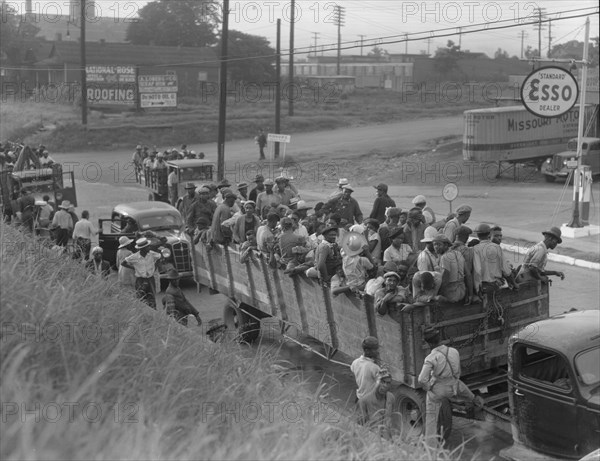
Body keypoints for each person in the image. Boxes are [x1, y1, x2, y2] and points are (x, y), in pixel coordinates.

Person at [418, 327, 483, 445]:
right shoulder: (454, 351)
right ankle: (474, 399)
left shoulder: (431, 358)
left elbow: (421, 379)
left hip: (439, 391)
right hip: (455, 386)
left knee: (431, 418)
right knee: (463, 389)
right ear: (440, 339)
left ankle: (430, 447)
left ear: (428, 343)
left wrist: (428, 386)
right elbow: (457, 373)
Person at [472, 223, 515, 293]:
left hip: (484, 285)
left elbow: (477, 270)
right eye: (496, 236)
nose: (499, 238)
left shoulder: (475, 249)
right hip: (494, 284)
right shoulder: (497, 247)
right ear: (489, 235)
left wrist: (477, 288)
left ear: (477, 235)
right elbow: (506, 270)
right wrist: (513, 283)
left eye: (500, 236)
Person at [121, 237, 162, 308]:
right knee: (141, 299)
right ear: (142, 248)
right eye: (147, 247)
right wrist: (134, 268)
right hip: (140, 280)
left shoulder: (152, 254)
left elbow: (159, 258)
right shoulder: (134, 257)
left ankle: (153, 313)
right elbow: (123, 263)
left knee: (151, 298)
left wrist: (155, 267)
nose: (149, 248)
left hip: (150, 279)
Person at [357, 368, 396, 440]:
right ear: (375, 382)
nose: (385, 385)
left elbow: (391, 418)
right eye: (382, 381)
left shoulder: (391, 398)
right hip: (371, 440)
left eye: (388, 383)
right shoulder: (364, 401)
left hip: (387, 439)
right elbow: (359, 427)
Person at [433, 234, 472, 304]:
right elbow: (468, 275)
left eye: (439, 245)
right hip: (462, 291)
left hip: (451, 292)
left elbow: (445, 279)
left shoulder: (444, 257)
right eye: (434, 245)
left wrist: (436, 293)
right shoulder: (458, 253)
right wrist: (470, 295)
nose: (436, 247)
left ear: (446, 246)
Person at [350, 336, 382, 402]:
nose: (378, 351)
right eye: (375, 349)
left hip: (359, 397)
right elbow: (380, 384)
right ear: (367, 351)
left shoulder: (355, 362)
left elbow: (353, 369)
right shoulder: (374, 368)